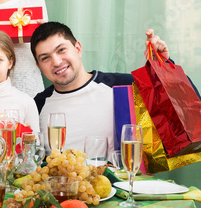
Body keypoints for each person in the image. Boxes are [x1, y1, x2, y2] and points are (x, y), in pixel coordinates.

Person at [30, 21, 176, 155]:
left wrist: (163, 69)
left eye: (61, 50)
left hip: (119, 182)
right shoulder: (36, 104)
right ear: (39, 66)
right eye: (45, 58)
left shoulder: (122, 86)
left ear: (78, 49)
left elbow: (183, 115)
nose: (56, 62)